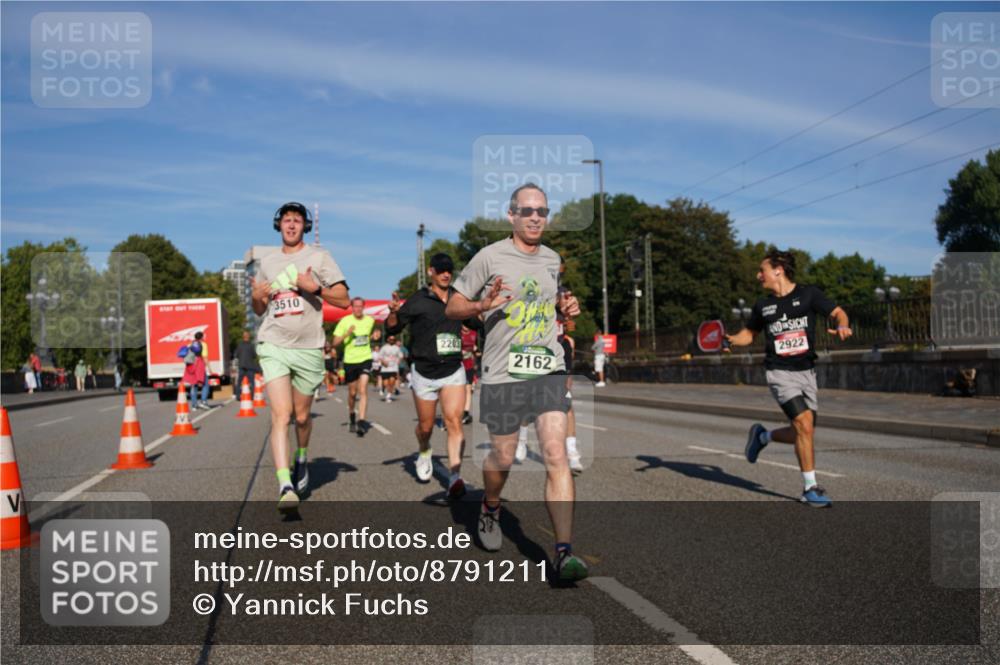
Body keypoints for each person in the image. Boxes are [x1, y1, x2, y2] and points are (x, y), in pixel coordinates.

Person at [446, 183, 587, 582]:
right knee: (503, 458)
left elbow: (552, 297)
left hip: (547, 365)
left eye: (542, 210)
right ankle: (490, 505)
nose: (535, 217)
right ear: (511, 215)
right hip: (502, 371)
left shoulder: (552, 258)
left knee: (555, 453)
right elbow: (452, 306)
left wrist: (565, 305)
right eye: (527, 211)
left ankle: (562, 553)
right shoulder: (489, 257)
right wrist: (480, 305)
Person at [725, 248, 852, 508]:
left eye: (762, 270)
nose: (758, 275)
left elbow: (838, 312)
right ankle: (810, 489)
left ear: (778, 270)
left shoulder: (809, 295)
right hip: (779, 372)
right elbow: (748, 334)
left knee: (802, 433)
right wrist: (731, 340)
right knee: (804, 424)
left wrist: (842, 325)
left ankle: (762, 437)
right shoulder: (763, 305)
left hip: (806, 372)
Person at [251, 201, 349, 513]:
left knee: (302, 417)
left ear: (305, 226)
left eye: (297, 220)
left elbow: (344, 300)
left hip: (308, 347)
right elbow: (259, 309)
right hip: (274, 343)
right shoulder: (266, 262)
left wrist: (315, 288)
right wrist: (256, 298)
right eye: (287, 220)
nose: (291, 225)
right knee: (281, 415)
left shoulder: (320, 256)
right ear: (278, 225)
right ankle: (285, 485)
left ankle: (301, 456)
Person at [386, 253, 480, 498]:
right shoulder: (418, 300)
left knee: (454, 421)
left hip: (452, 370)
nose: (446, 274)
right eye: (440, 270)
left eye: (449, 269)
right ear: (431, 272)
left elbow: (476, 323)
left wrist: (489, 310)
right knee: (426, 427)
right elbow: (393, 328)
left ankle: (455, 477)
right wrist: (394, 312)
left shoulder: (457, 299)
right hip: (424, 372)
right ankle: (424, 450)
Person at [332, 297, 376, 437]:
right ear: (352, 307)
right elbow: (334, 343)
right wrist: (347, 334)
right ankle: (352, 415)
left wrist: (375, 335)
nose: (358, 309)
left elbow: (371, 335)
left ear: (364, 307)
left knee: (363, 389)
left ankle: (361, 421)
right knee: (352, 393)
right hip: (350, 360)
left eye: (360, 306)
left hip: (365, 358)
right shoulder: (345, 321)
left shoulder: (370, 320)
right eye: (355, 306)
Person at [460, 324, 479, 425]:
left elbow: (477, 350)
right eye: (464, 323)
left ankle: (465, 412)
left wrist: (476, 351)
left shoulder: (474, 333)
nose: (466, 326)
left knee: (468, 389)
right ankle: (457, 410)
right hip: (458, 365)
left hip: (469, 366)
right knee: (459, 389)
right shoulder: (457, 333)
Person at [378, 336, 403, 402]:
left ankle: (388, 395)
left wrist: (398, 361)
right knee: (386, 383)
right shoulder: (384, 347)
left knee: (392, 382)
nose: (392, 340)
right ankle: (384, 388)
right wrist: (383, 362)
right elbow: (380, 356)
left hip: (393, 368)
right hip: (385, 368)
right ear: (388, 340)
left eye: (393, 339)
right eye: (390, 339)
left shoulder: (397, 348)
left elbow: (401, 356)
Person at [233, 330, 258, 397]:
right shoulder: (251, 345)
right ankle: (252, 396)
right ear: (248, 337)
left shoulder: (239, 345)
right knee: (252, 382)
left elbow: (236, 355)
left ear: (243, 337)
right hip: (250, 367)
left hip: (241, 366)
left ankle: (238, 396)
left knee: (239, 382)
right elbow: (254, 355)